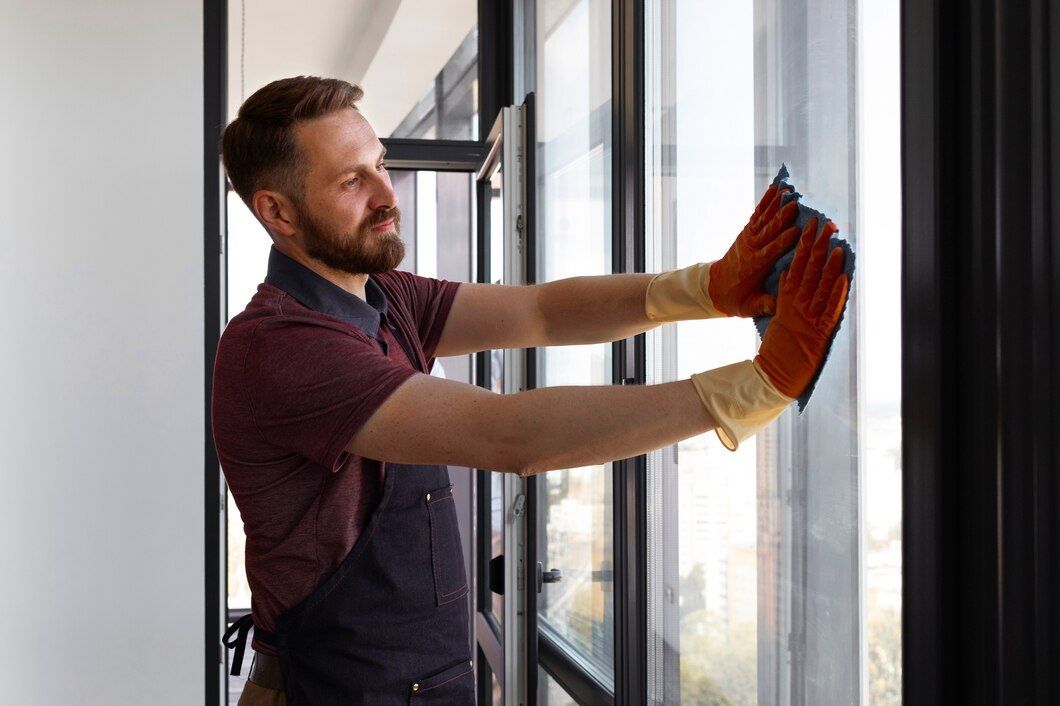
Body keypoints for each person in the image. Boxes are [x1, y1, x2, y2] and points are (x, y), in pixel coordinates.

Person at [212, 76, 848, 706]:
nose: (386, 195)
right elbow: (511, 435)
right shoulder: (282, 346)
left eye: (380, 164)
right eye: (353, 181)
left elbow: (542, 312)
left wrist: (708, 288)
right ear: (278, 211)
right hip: (339, 686)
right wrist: (754, 386)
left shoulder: (381, 296)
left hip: (414, 680)